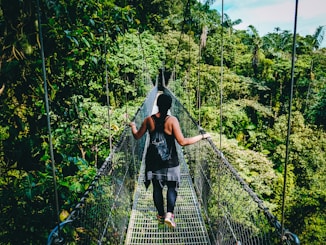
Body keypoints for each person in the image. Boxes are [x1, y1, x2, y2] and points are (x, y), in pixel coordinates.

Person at [129, 93, 210, 228]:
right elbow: (182, 142)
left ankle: (160, 215)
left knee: (157, 188)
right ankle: (169, 215)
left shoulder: (149, 120)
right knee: (172, 187)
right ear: (170, 106)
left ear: (157, 105)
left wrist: (132, 126)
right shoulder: (172, 121)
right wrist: (202, 137)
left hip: (153, 161)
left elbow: (137, 136)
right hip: (170, 162)